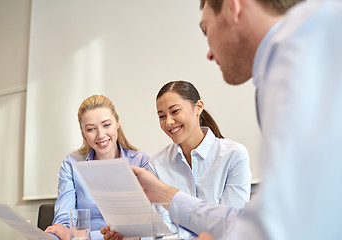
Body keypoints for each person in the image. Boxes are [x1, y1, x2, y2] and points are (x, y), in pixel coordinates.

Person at [129, 0, 342, 239]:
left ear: (233, 7)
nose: (209, 53)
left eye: (205, 30)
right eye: (161, 115)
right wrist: (165, 197)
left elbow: (283, 223)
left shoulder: (301, 64)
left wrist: (169, 198)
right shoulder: (278, 71)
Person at [101, 80, 251, 240]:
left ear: (198, 107)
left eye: (175, 111)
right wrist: (132, 236)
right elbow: (161, 230)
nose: (169, 122)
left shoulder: (234, 155)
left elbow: (230, 227)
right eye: (161, 116)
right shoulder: (157, 163)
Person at [45, 95, 150, 240]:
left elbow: (148, 229)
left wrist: (85, 235)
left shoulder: (142, 162)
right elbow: (62, 225)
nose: (100, 135)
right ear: (83, 132)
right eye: (91, 129)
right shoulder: (71, 163)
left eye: (106, 125)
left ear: (117, 122)